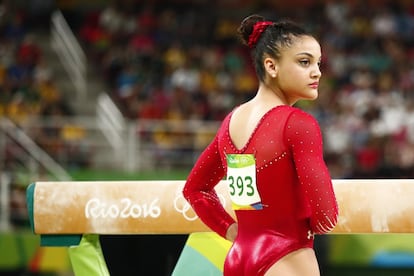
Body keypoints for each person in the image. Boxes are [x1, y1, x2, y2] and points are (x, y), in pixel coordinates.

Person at [182, 14, 338, 276]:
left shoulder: (230, 123)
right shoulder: (298, 124)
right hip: (288, 257)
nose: (317, 72)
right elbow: (327, 216)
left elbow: (195, 190)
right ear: (271, 66)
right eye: (304, 62)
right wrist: (307, 227)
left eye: (318, 63)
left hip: (239, 256)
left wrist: (231, 230)